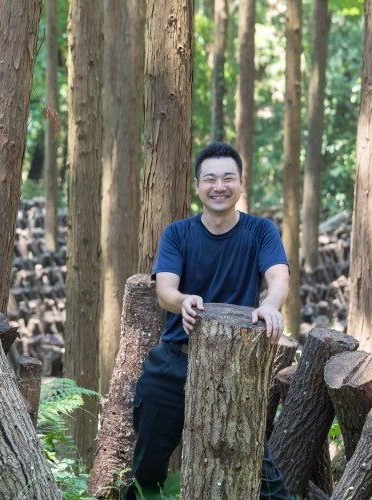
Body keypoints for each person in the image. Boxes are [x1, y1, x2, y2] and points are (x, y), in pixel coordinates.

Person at [126, 142, 291, 499]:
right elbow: (165, 291)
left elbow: (278, 277)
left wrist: (271, 305)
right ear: (198, 186)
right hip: (174, 363)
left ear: (241, 184)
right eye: (211, 179)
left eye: (228, 178)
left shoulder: (261, 231)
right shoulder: (177, 233)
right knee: (146, 475)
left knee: (265, 482)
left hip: (233, 370)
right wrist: (184, 302)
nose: (220, 186)